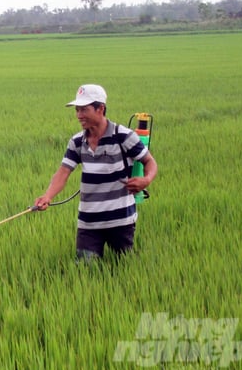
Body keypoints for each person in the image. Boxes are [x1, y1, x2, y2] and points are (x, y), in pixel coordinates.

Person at [33, 84, 157, 260]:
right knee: (85, 270)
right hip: (88, 222)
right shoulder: (77, 142)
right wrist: (47, 196)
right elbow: (63, 172)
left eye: (84, 109)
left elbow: (149, 161)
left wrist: (147, 179)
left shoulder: (124, 136)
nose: (79, 115)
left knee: (123, 267)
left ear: (101, 109)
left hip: (121, 220)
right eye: (77, 110)